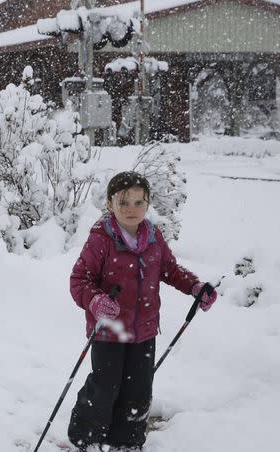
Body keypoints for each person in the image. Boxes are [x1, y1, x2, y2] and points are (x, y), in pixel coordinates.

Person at [67, 171, 218, 452]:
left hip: (145, 330)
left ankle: (127, 441)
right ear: (110, 204)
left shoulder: (153, 237)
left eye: (139, 202)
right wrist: (96, 300)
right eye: (123, 202)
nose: (131, 209)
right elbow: (79, 280)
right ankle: (87, 438)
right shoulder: (102, 239)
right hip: (109, 332)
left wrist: (195, 287)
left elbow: (170, 270)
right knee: (105, 388)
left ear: (148, 204)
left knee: (138, 390)